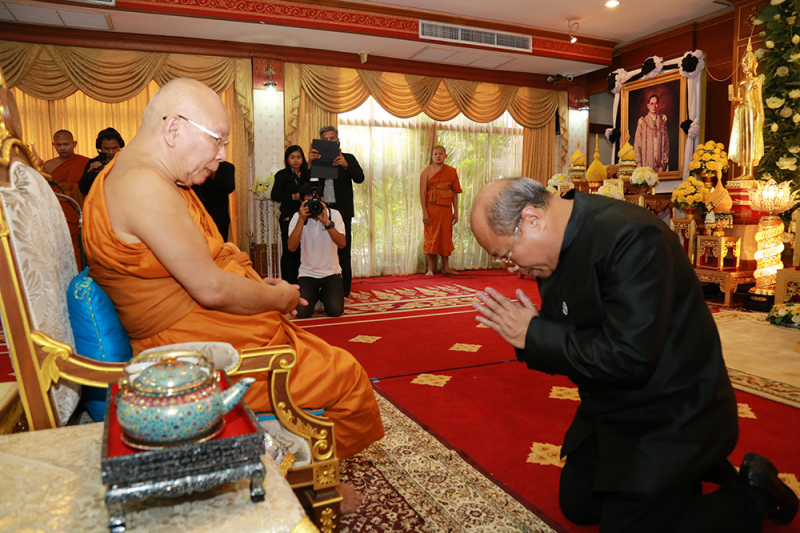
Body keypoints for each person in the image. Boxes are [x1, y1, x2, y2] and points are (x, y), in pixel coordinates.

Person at [81, 79, 383, 512]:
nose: (223, 155)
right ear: (173, 130)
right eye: (218, 141)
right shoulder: (143, 185)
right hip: (186, 344)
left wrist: (259, 288)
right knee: (346, 375)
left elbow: (211, 261)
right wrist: (276, 300)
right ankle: (311, 478)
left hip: (203, 321)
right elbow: (210, 287)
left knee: (322, 355)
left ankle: (303, 470)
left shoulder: (156, 179)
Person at [470, 177, 798, 532]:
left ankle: (755, 494)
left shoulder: (632, 238)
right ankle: (679, 483)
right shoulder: (554, 248)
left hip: (675, 411)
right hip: (611, 405)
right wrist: (533, 333)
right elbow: (573, 332)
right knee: (579, 504)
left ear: (531, 219)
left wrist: (535, 334)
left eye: (505, 255)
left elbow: (630, 358)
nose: (511, 268)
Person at [308, 126, 364, 297]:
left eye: (332, 138)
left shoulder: (348, 158)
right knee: (320, 250)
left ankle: (344, 291)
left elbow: (360, 178)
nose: (329, 142)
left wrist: (346, 165)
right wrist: (310, 164)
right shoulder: (317, 160)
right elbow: (309, 183)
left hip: (343, 212)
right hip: (320, 213)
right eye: (325, 139)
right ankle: (322, 291)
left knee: (343, 251)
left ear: (337, 140)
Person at [288, 183, 345, 318]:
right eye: (308, 202)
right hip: (307, 273)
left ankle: (323, 296)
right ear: (301, 202)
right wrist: (302, 220)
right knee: (302, 313)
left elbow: (342, 244)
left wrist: (326, 222)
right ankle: (315, 295)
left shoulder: (334, 215)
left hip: (331, 273)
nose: (314, 205)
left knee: (335, 311)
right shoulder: (297, 217)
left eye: (318, 201)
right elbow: (291, 247)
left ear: (323, 200)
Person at [42, 129, 90, 265]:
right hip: (57, 210)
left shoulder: (86, 163)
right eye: (58, 145)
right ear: (53, 145)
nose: (62, 148)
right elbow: (45, 191)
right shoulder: (48, 165)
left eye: (66, 144)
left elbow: (88, 188)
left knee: (80, 246)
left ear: (74, 144)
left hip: (78, 209)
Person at [420, 145, 462, 276]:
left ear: (445, 156)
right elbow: (422, 192)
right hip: (432, 209)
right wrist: (424, 212)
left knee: (446, 236)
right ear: (432, 156)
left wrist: (456, 211)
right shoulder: (426, 172)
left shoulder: (452, 171)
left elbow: (454, 193)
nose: (438, 156)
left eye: (440, 153)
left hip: (446, 209)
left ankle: (445, 267)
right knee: (431, 236)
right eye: (435, 154)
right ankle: (430, 269)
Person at [271, 145, 309, 284]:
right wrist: (293, 196)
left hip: (307, 217)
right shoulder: (282, 174)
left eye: (299, 157)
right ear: (287, 159)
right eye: (292, 157)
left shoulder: (308, 173)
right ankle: (288, 283)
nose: (296, 160)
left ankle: (304, 284)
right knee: (289, 252)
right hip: (288, 216)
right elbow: (275, 194)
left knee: (304, 251)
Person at [729, 38, 765, 179]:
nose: (746, 65)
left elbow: (758, 99)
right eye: (744, 62)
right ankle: (743, 171)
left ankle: (750, 172)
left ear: (754, 64)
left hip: (751, 109)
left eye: (748, 62)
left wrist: (760, 114)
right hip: (742, 110)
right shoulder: (741, 82)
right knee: (742, 140)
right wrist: (734, 101)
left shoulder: (756, 80)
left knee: (751, 139)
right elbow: (738, 100)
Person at [192, 160, 235, 240]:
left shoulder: (227, 167)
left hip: (219, 218)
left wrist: (212, 175)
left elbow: (229, 187)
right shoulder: (196, 167)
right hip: (198, 217)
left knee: (220, 246)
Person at [79, 127, 125, 195]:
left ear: (120, 147)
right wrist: (89, 173)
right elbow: (83, 189)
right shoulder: (93, 163)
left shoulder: (127, 161)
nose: (111, 152)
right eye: (106, 148)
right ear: (100, 148)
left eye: (115, 148)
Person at [634, 95, 669, 172]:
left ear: (658, 105)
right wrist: (639, 164)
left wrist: (665, 155)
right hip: (646, 163)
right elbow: (637, 145)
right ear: (648, 106)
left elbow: (666, 142)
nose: (654, 106)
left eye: (656, 103)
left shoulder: (662, 122)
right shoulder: (642, 122)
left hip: (659, 165)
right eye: (652, 103)